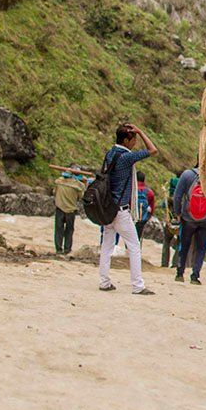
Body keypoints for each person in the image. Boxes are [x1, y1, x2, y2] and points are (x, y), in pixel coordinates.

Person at [99, 123, 158, 295]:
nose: (135, 144)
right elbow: (153, 150)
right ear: (126, 140)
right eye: (134, 140)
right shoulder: (126, 157)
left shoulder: (110, 154)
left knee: (106, 245)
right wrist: (141, 130)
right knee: (133, 246)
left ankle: (104, 282)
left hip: (107, 207)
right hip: (120, 209)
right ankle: (137, 285)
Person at [173, 164, 206, 285]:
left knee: (184, 245)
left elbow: (177, 196)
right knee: (201, 248)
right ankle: (195, 276)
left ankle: (180, 273)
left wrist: (178, 212)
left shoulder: (187, 175)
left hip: (188, 218)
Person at [52, 165, 87, 254]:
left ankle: (58, 249)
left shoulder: (59, 182)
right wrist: (85, 183)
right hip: (71, 210)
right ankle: (67, 249)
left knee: (59, 229)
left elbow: (54, 192)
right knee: (69, 230)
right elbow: (82, 197)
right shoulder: (78, 185)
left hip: (59, 208)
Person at [133, 170, 155, 244]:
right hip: (143, 218)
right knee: (138, 237)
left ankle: (128, 251)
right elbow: (152, 208)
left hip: (132, 217)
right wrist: (148, 217)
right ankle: (137, 251)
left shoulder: (132, 190)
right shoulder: (149, 192)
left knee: (130, 237)